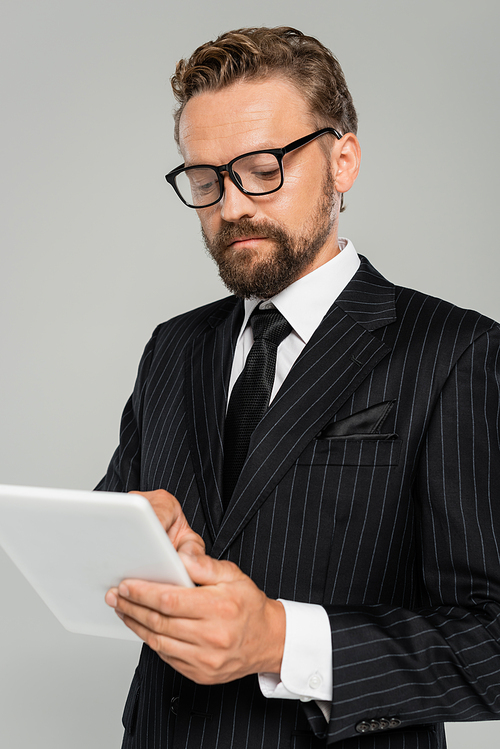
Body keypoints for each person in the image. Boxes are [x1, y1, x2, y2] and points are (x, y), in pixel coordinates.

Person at [100, 26, 500, 749]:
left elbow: (492, 642)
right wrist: (132, 539)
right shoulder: (173, 346)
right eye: (205, 179)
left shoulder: (455, 351)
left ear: (342, 159)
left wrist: (281, 640)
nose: (230, 207)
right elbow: (114, 539)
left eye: (262, 168)